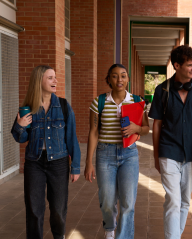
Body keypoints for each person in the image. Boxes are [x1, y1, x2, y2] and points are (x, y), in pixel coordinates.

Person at [148, 45, 192, 239]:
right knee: (173, 200)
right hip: (168, 151)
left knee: (185, 201)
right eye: (189, 65)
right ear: (176, 65)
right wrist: (156, 156)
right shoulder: (162, 90)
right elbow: (157, 126)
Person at [11, 65, 81, 239]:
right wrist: (20, 126)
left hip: (59, 162)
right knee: (34, 208)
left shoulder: (63, 106)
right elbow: (21, 138)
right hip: (34, 163)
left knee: (58, 208)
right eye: (50, 78)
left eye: (55, 77)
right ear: (39, 81)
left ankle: (59, 236)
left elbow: (72, 137)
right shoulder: (28, 108)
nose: (55, 81)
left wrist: (76, 167)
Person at [84, 64, 149, 239]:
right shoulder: (99, 102)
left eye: (123, 75)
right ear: (109, 80)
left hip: (129, 154)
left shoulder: (137, 101)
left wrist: (136, 127)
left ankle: (124, 236)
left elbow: (145, 129)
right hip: (105, 153)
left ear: (128, 79)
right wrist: (88, 162)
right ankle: (110, 227)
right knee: (107, 200)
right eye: (114, 76)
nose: (119, 79)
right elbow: (94, 132)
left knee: (128, 202)